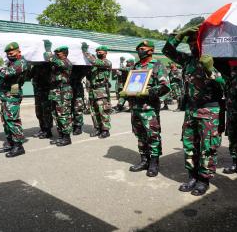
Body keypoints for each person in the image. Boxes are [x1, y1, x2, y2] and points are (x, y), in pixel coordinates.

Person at [162, 26, 225, 196]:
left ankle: (204, 180)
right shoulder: (188, 61)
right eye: (189, 42)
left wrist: (211, 69)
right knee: (189, 145)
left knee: (207, 146)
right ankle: (192, 176)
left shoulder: (217, 59)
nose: (191, 45)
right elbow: (166, 50)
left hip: (209, 109)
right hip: (191, 109)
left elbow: (226, 85)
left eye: (195, 42)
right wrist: (180, 36)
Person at [120, 40, 170, 177]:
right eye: (138, 49)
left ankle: (154, 163)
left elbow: (165, 86)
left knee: (152, 135)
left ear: (151, 50)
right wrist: (122, 98)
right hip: (135, 107)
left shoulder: (157, 65)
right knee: (140, 135)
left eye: (142, 48)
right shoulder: (136, 66)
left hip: (149, 108)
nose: (139, 51)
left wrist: (149, 91)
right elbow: (129, 84)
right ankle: (144, 160)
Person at [0, 42, 28, 157]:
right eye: (8, 53)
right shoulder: (9, 63)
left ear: (19, 51)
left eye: (11, 52)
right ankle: (10, 143)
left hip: (13, 93)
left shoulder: (21, 63)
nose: (9, 54)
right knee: (6, 120)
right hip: (6, 94)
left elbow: (6, 73)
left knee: (13, 120)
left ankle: (18, 146)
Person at [43, 41, 73, 146]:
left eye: (58, 53)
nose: (56, 54)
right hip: (56, 91)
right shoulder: (58, 62)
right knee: (56, 114)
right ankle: (61, 135)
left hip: (63, 92)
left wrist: (48, 51)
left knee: (63, 114)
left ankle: (67, 137)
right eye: (55, 52)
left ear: (64, 54)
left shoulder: (66, 62)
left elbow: (51, 59)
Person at [82, 43, 112, 138]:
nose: (99, 52)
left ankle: (105, 130)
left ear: (105, 53)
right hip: (92, 90)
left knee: (103, 111)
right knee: (94, 111)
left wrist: (85, 52)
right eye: (97, 51)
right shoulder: (94, 65)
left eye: (101, 51)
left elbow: (94, 62)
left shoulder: (107, 63)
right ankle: (98, 128)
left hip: (101, 90)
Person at [31, 62, 54, 139]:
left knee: (46, 112)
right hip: (37, 92)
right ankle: (42, 128)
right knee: (39, 112)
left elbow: (48, 78)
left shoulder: (48, 65)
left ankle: (48, 131)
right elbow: (28, 75)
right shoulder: (35, 66)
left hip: (46, 92)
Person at [70, 65, 89, 135]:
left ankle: (78, 126)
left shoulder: (80, 65)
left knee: (77, 109)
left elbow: (86, 71)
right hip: (68, 88)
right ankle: (71, 125)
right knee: (68, 109)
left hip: (77, 88)